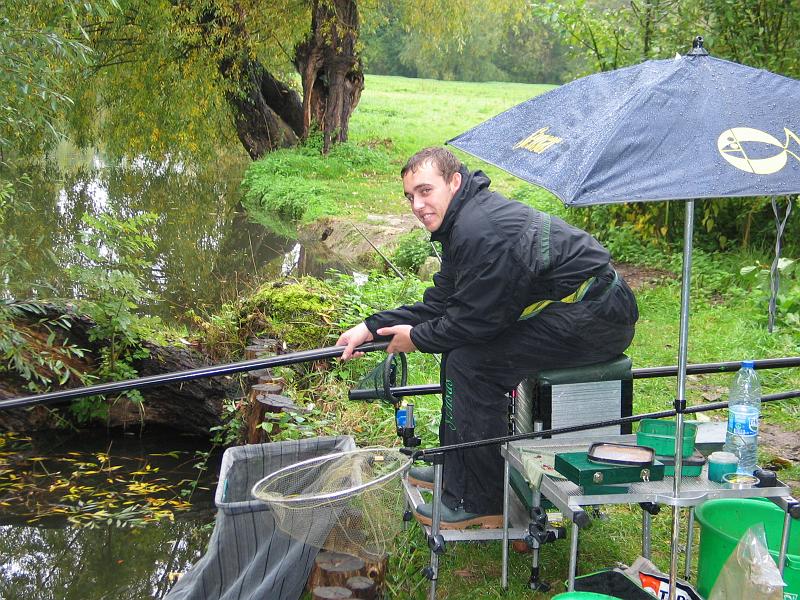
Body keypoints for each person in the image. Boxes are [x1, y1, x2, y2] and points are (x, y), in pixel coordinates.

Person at [337, 147, 638, 528]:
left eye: (426, 191)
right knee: (461, 354)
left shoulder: (481, 230)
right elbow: (443, 303)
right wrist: (371, 327)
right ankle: (456, 464)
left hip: (598, 315)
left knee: (472, 363)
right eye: (410, 196)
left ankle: (479, 498)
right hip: (573, 309)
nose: (417, 204)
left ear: (454, 182)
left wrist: (418, 338)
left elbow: (475, 322)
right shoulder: (462, 225)